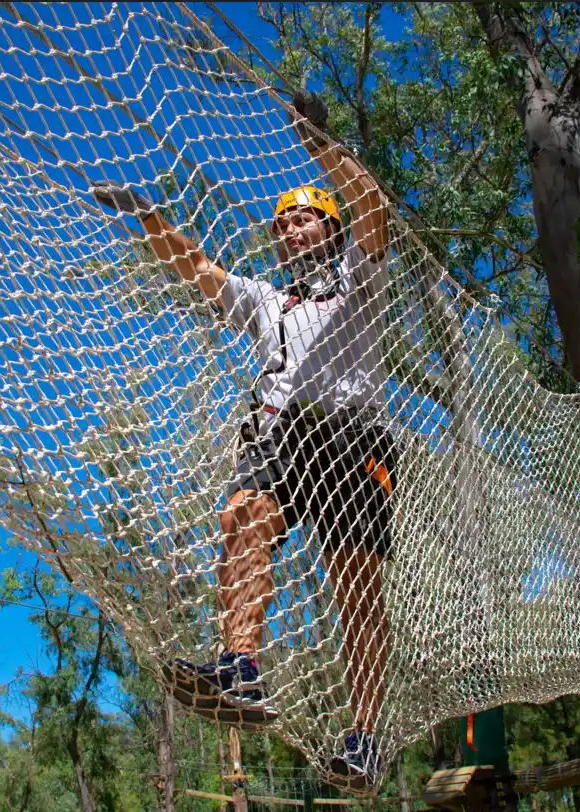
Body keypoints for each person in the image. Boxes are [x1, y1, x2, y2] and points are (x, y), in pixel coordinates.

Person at [90, 91, 394, 786]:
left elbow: (374, 209)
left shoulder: (362, 278)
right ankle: (241, 669)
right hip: (281, 434)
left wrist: (320, 146)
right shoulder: (268, 298)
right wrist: (146, 218)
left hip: (353, 438)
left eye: (306, 218)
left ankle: (367, 736)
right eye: (283, 223)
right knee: (242, 516)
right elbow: (197, 269)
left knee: (355, 590)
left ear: (332, 229)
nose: (291, 230)